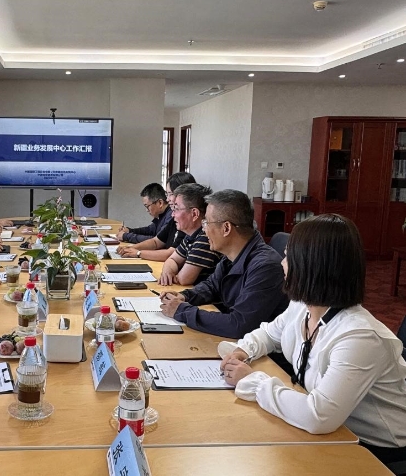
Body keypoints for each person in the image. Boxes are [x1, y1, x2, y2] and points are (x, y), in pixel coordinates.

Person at [219, 214, 406, 469]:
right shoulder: (303, 306)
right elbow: (270, 334)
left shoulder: (360, 337)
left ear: (311, 266)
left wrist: (252, 380)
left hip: (377, 450)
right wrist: (243, 350)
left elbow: (318, 416)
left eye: (288, 257)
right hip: (334, 432)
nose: (282, 263)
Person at [159, 189, 289, 339]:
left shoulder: (265, 267)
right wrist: (184, 297)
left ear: (226, 228)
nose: (204, 230)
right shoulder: (232, 255)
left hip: (260, 350)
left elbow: (239, 324)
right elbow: (211, 286)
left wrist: (181, 311)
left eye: (207, 223)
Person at [116, 172, 196, 261]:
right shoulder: (175, 218)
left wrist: (138, 253)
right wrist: (130, 248)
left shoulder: (187, 222)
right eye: (167, 194)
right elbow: (156, 241)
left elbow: (171, 254)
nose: (167, 199)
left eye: (170, 194)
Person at [155, 184, 221, 286]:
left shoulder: (205, 238)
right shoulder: (190, 235)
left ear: (194, 214)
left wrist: (172, 274)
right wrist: (167, 272)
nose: (172, 214)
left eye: (176, 209)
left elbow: (184, 279)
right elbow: (172, 259)